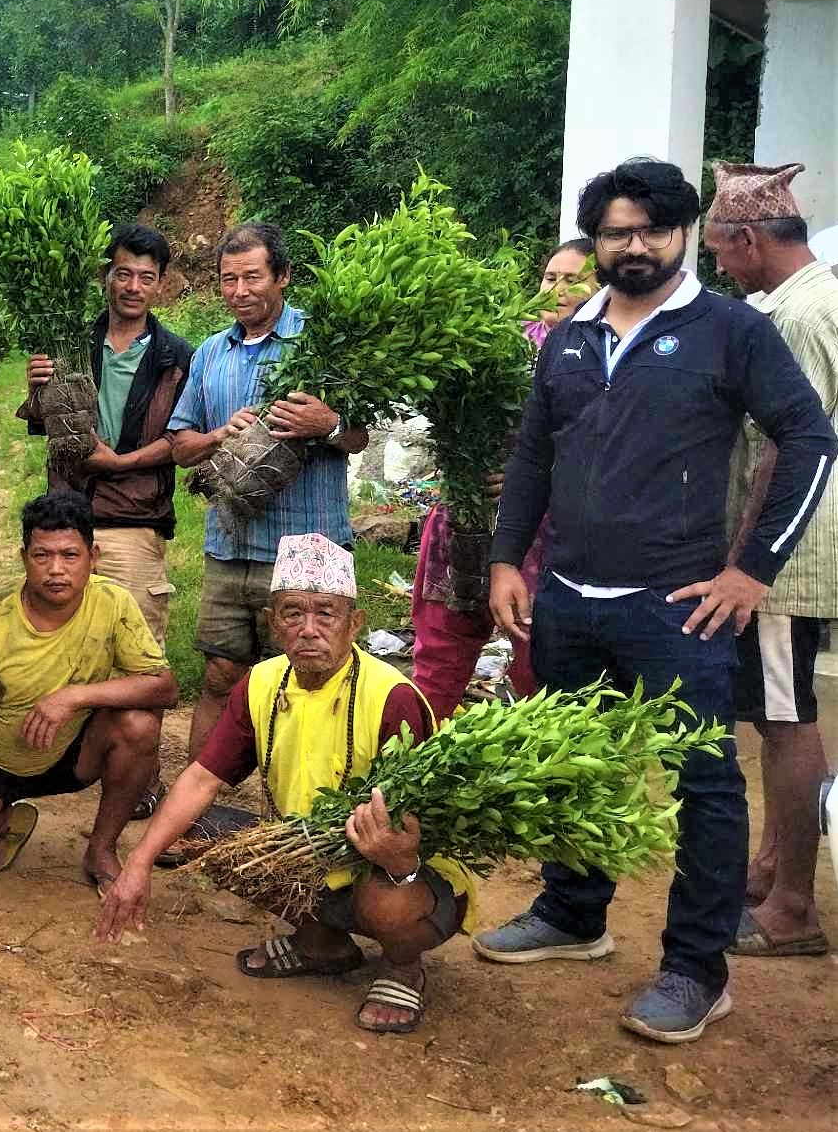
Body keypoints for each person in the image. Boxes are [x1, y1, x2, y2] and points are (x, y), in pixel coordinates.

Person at [478, 156, 834, 1044]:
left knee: (705, 785)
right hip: (565, 595)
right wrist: (504, 561)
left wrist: (750, 570)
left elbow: (809, 437)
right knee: (566, 762)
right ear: (594, 241)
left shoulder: (727, 331)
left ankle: (693, 967)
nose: (632, 245)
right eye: (614, 232)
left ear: (683, 237)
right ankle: (573, 911)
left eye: (650, 230)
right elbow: (532, 456)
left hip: (675, 604)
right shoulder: (570, 334)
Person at [97, 534, 473, 1036]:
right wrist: (138, 864)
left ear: (355, 624)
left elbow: (419, 826)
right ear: (272, 623)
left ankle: (403, 964)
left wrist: (401, 859)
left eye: (327, 613)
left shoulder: (392, 697)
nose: (309, 630)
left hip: (400, 866)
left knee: (388, 897)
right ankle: (322, 945)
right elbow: (202, 778)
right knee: (197, 831)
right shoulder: (261, 683)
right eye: (293, 613)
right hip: (310, 851)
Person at [0, 491, 177, 892]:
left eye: (70, 556)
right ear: (24, 557)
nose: (56, 570)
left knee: (140, 724)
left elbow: (163, 687)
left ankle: (101, 849)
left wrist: (72, 697)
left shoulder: (113, 603)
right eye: (42, 556)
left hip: (71, 752)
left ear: (94, 556)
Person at [168, 222, 369, 769]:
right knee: (220, 675)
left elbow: (359, 436)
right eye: (229, 279)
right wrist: (218, 435)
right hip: (230, 547)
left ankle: (300, 810)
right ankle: (198, 812)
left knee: (313, 682)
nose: (240, 291)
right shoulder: (211, 353)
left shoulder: (322, 343)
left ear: (282, 277)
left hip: (310, 549)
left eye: (252, 277)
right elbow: (181, 445)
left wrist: (327, 424)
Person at [700, 162, 836, 960]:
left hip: (783, 556)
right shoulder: (817, 295)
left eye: (719, 250)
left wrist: (743, 559)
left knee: (782, 720)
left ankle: (792, 907)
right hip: (802, 545)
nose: (718, 265)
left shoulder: (786, 319)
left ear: (749, 239)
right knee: (783, 708)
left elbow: (784, 450)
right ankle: (772, 863)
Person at [406, 237, 596, 718]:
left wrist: (533, 477)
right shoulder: (500, 344)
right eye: (550, 277)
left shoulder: (603, 355)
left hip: (547, 534)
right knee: (438, 663)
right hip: (465, 526)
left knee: (539, 667)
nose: (557, 289)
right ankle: (408, 775)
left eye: (573, 279)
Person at [23, 223, 193, 651]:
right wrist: (37, 391)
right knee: (59, 651)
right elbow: (48, 426)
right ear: (105, 277)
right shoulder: (69, 343)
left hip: (135, 522)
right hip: (66, 520)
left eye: (146, 277)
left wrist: (120, 463)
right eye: (123, 274)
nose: (133, 287)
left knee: (133, 654)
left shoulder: (177, 357)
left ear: (161, 285)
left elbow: (183, 436)